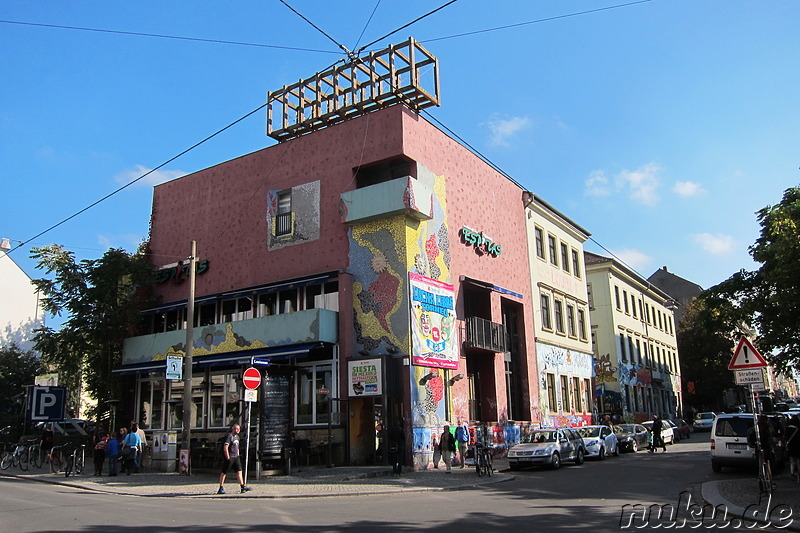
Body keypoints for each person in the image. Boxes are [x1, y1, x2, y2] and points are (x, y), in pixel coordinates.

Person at [218, 424, 251, 494]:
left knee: (239, 471)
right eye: (236, 429)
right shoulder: (229, 437)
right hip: (230, 457)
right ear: (233, 429)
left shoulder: (237, 437)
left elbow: (237, 447)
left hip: (236, 457)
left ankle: (242, 486)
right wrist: (227, 457)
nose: (237, 430)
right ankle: (221, 487)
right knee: (224, 472)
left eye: (238, 429)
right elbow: (225, 447)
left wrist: (238, 455)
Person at [786, 415, 800, 483]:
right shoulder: (798, 429)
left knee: (792, 461)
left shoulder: (787, 429)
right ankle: (798, 475)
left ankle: (792, 473)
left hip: (791, 447)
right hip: (798, 447)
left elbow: (785, 438)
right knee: (798, 461)